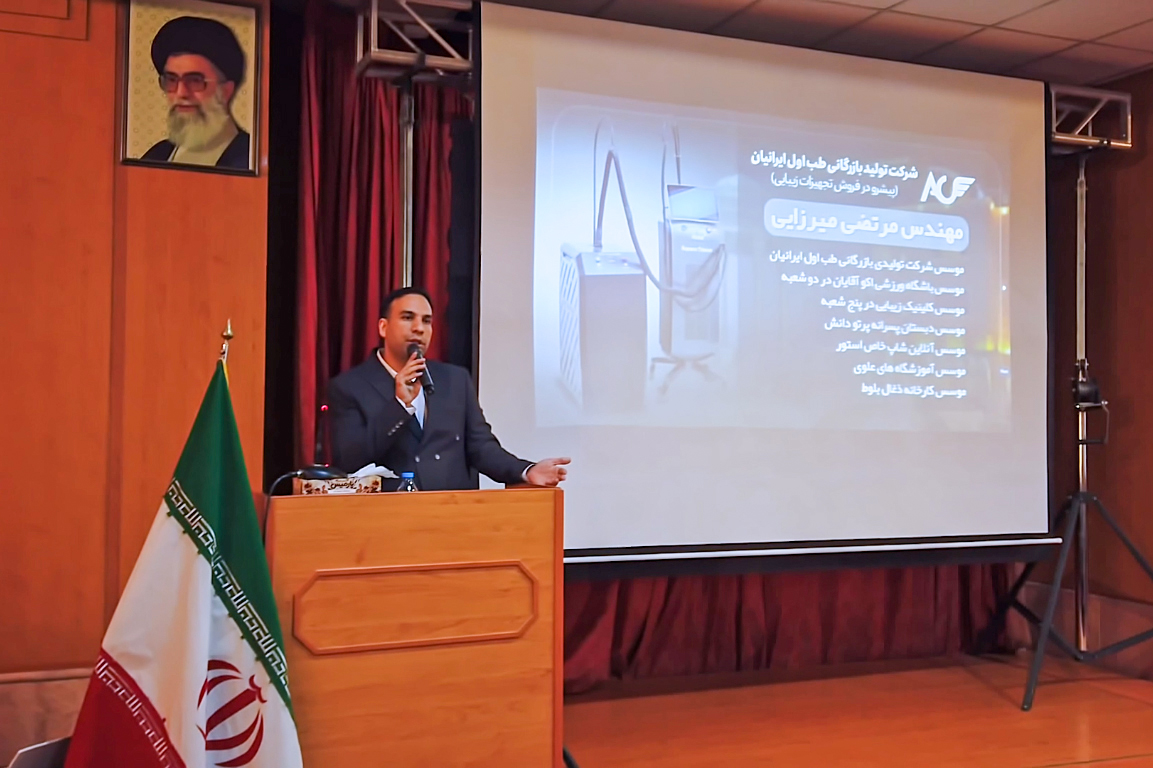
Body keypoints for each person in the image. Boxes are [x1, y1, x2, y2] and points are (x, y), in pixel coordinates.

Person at [326, 287, 570, 490]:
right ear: (383, 327)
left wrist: (526, 470)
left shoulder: (454, 380)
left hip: (454, 515)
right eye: (408, 318)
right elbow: (349, 459)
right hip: (388, 518)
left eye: (427, 321)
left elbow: (481, 447)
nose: (419, 328)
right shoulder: (349, 387)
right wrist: (399, 406)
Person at [141, 16, 251, 170]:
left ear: (226, 91)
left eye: (195, 81)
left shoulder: (249, 158)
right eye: (172, 80)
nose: (181, 93)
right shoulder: (158, 155)